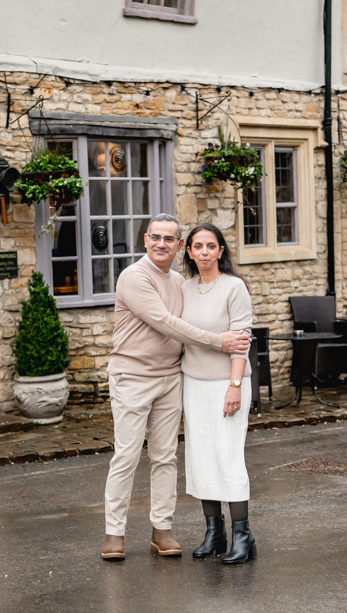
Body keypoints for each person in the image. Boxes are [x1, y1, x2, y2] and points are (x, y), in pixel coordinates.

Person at [102, 214, 250, 562]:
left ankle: (162, 530)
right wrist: (219, 342)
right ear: (145, 240)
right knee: (126, 457)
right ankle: (114, 533)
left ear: (177, 245)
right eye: (156, 237)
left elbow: (233, 333)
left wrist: (234, 379)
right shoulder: (134, 277)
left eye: (170, 239)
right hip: (133, 377)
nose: (162, 244)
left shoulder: (178, 281)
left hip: (172, 378)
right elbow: (168, 324)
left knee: (166, 457)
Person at [180, 223, 256, 565]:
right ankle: (215, 532)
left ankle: (243, 536)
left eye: (211, 246)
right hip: (193, 384)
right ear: (190, 252)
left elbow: (241, 340)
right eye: (199, 246)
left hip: (227, 384)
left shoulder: (234, 287)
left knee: (228, 458)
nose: (205, 252)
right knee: (202, 459)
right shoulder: (184, 288)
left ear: (221, 251)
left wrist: (235, 386)